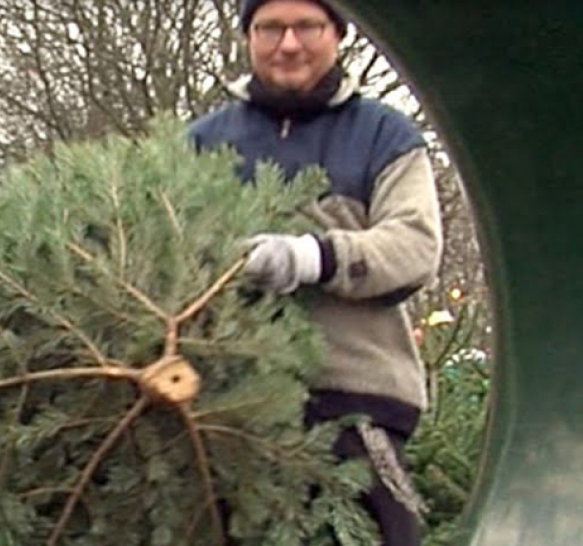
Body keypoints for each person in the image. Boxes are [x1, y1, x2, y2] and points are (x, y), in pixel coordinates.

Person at [188, 1, 443, 545]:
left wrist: (312, 257)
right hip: (227, 410)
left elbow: (416, 246)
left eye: (307, 26)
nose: (288, 44)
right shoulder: (202, 143)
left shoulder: (385, 136)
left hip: (355, 405)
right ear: (248, 37)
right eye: (270, 28)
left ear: (338, 34)